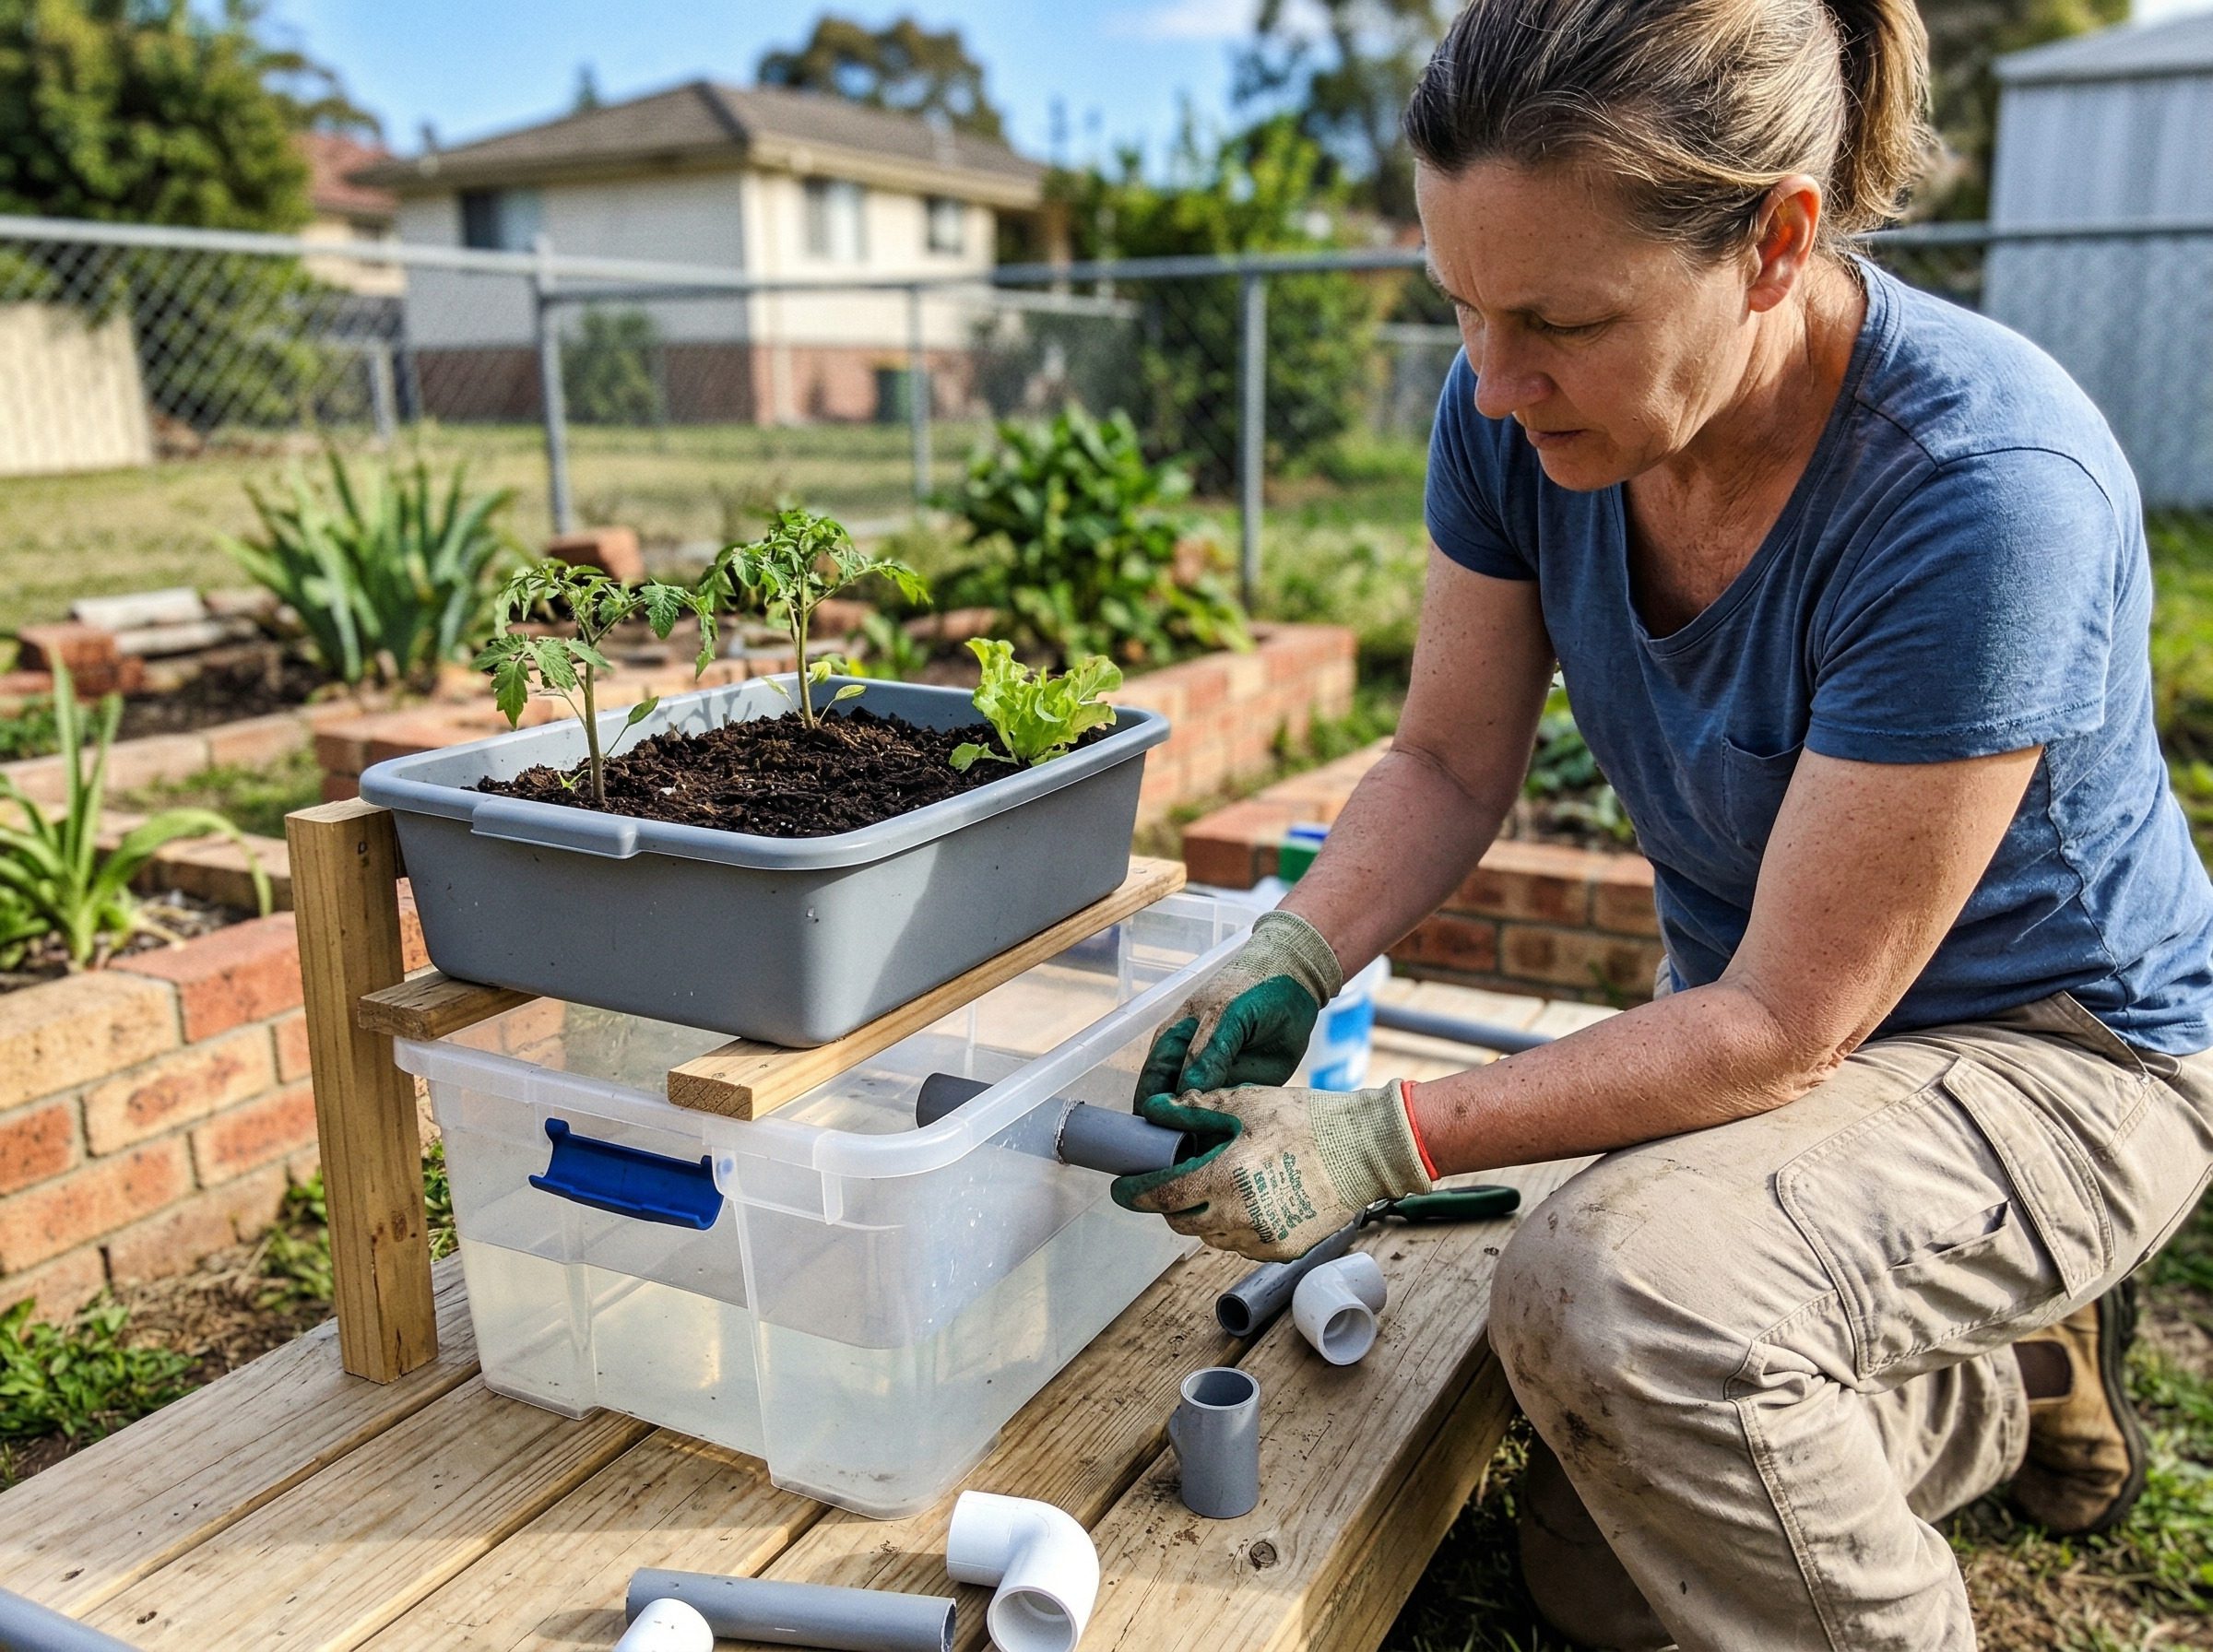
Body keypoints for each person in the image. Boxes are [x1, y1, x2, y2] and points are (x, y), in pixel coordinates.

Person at [1109, 1, 2213, 1646]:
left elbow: (1779, 1024)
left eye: (1557, 317)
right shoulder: (1520, 412)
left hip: (2056, 1059)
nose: (1492, 383)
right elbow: (1444, 764)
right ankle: (1991, 1387)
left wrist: (1376, 1138)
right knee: (1601, 1575)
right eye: (1462, 308)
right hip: (1787, 1025)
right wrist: (1294, 945)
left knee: (1613, 1290)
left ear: (1777, 241)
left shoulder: (1985, 489)